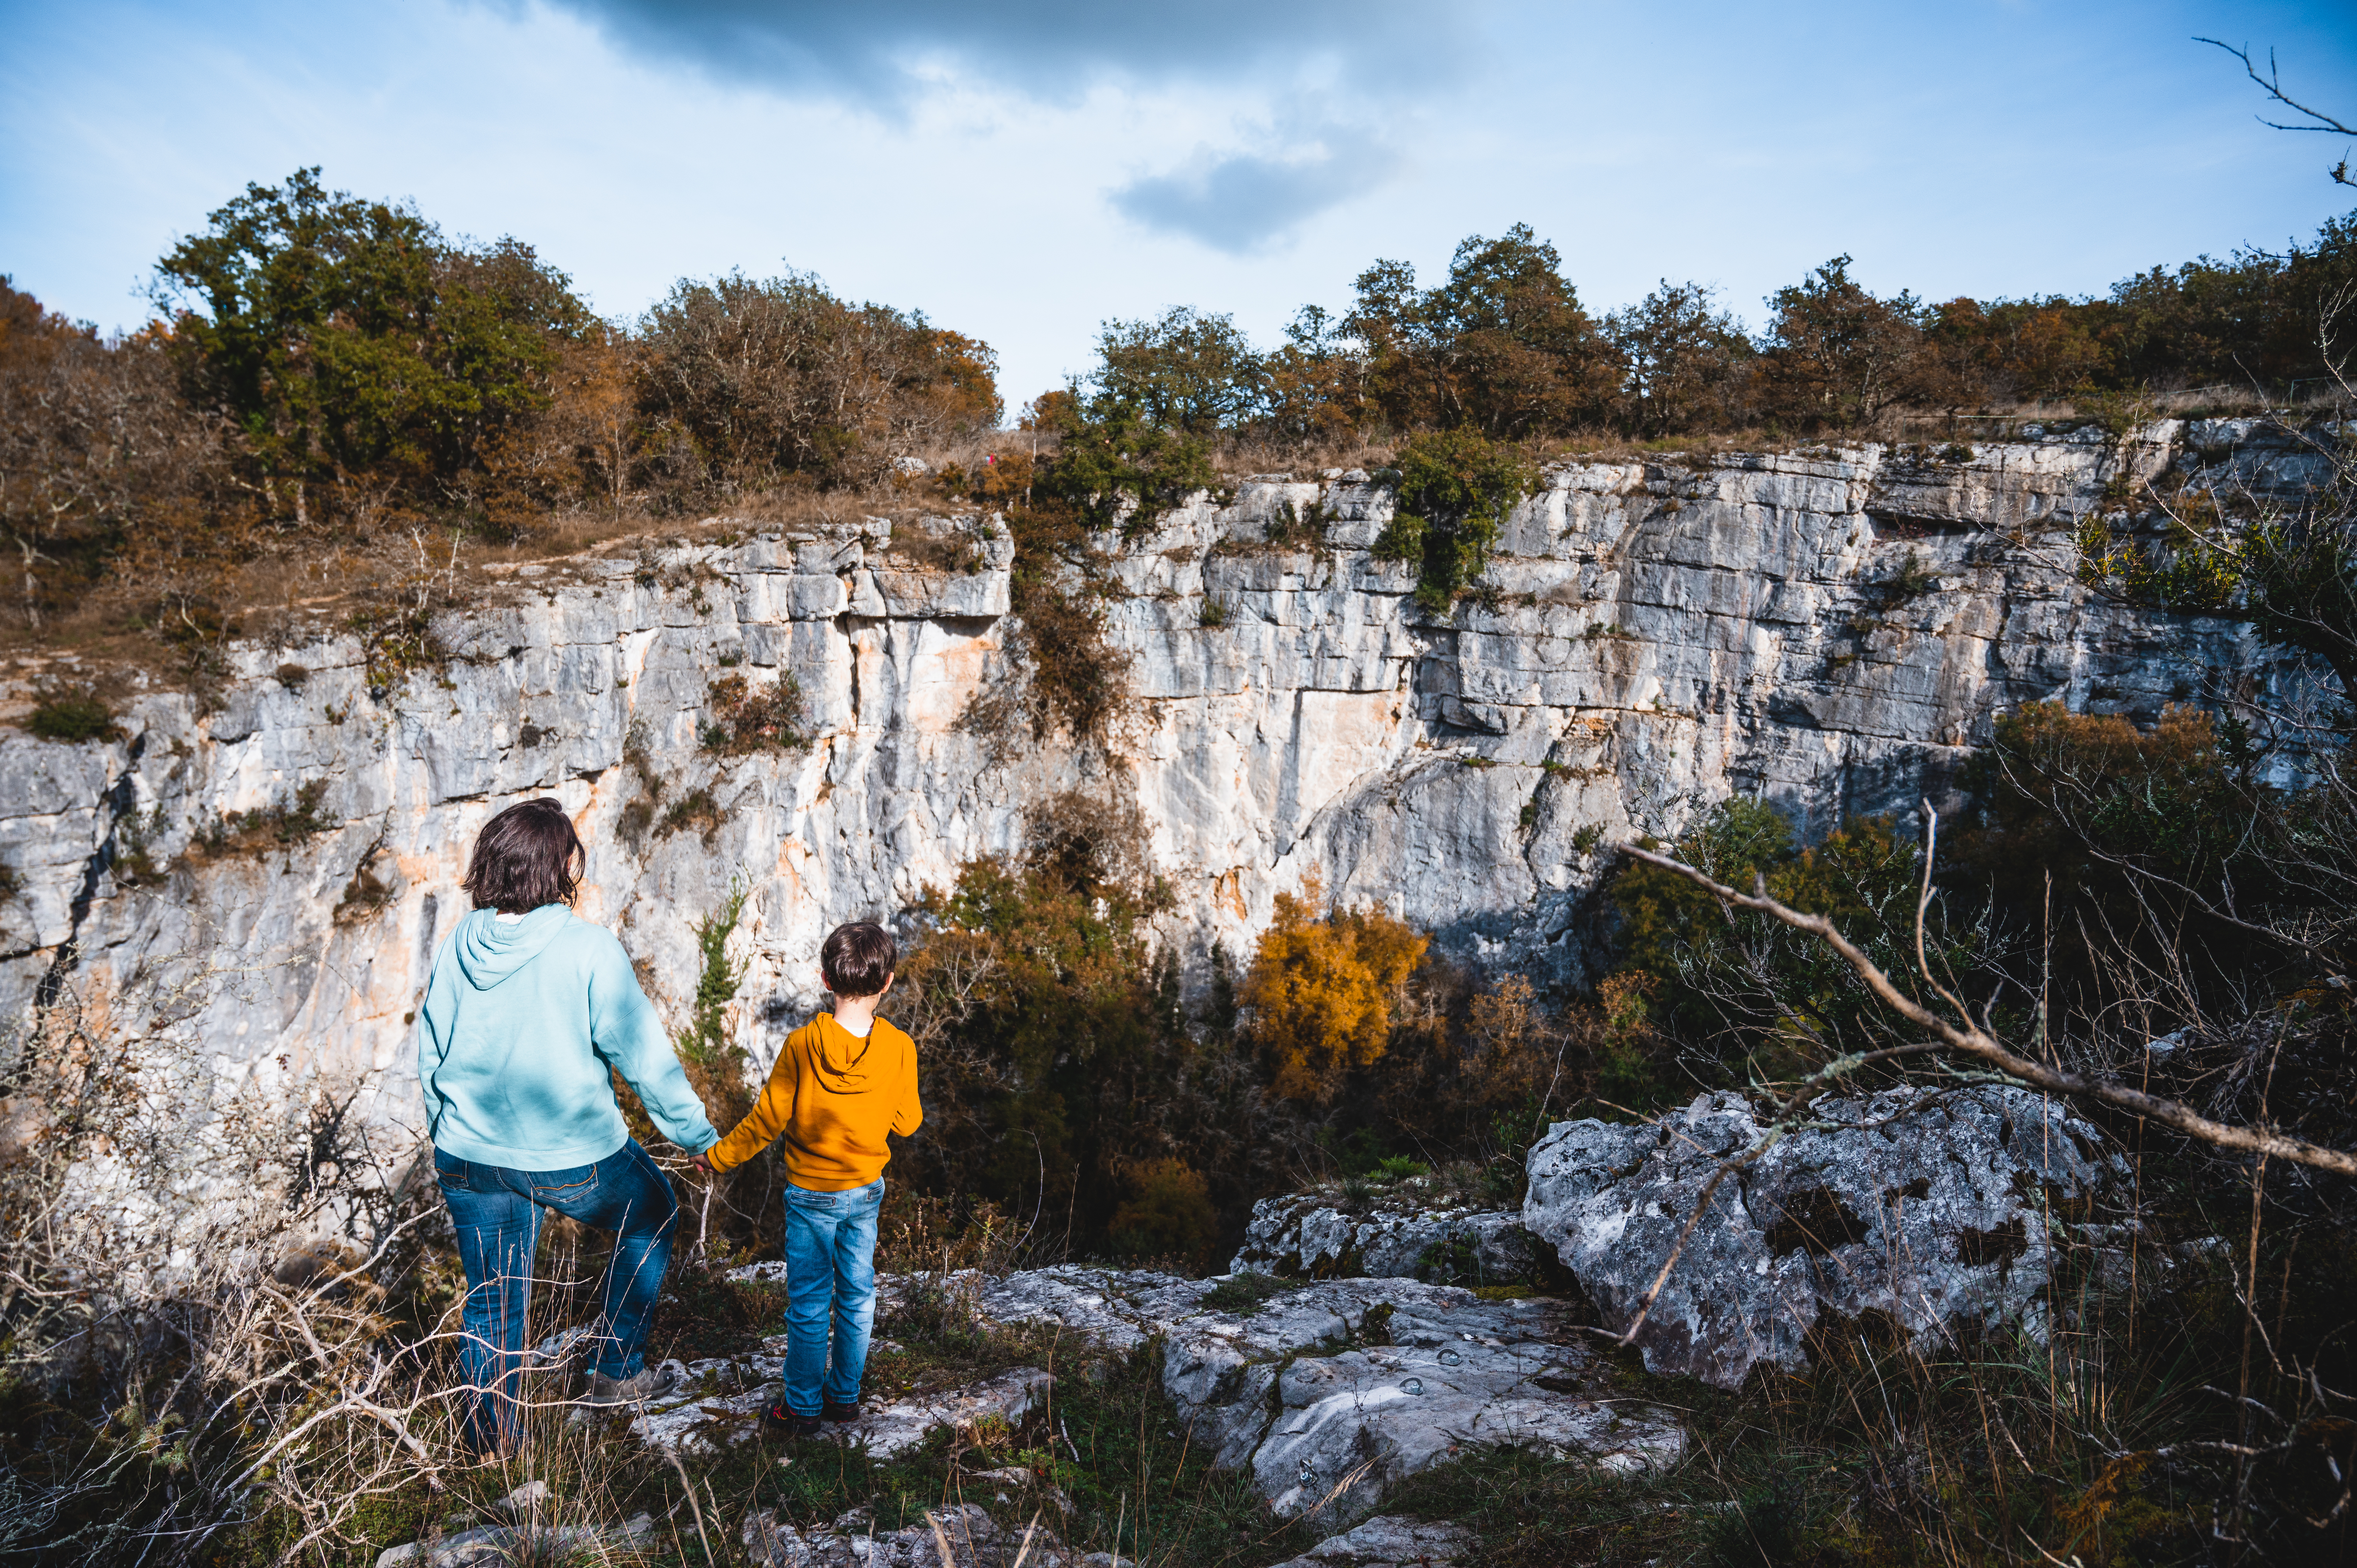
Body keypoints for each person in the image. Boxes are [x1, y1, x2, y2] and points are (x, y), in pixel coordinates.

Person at [417, 798, 719, 1457]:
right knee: (656, 1211)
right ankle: (615, 1370)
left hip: (468, 1153)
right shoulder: (587, 948)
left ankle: (493, 1449)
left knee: (494, 1303)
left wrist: (451, 1131)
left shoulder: (458, 945)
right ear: (559, 868)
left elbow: (430, 1051)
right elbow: (643, 1057)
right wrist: (696, 1137)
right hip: (568, 1153)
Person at [694, 921, 921, 1437]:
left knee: (810, 1302)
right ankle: (844, 1399)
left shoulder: (800, 1046)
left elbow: (766, 1122)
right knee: (859, 1295)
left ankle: (801, 1408)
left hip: (811, 1196)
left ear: (825, 979)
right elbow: (908, 1122)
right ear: (887, 983)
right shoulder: (900, 1048)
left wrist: (718, 1158)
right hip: (864, 1192)